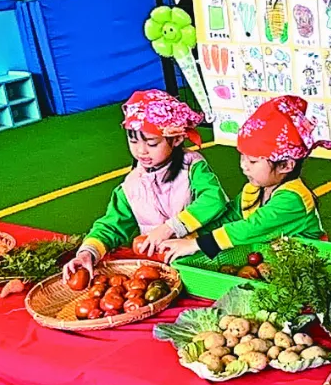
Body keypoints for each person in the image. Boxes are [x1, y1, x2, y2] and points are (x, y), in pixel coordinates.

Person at [62, 90, 228, 279]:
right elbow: (112, 225)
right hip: (163, 270)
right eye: (133, 141)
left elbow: (214, 199)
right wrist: (88, 251)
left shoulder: (192, 167)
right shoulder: (131, 186)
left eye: (152, 143)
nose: (141, 151)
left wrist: (171, 227)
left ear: (176, 139)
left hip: (207, 260)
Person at [160, 95, 331, 262]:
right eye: (242, 157)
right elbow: (229, 217)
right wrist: (190, 234)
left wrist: (196, 244)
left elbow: (252, 227)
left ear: (286, 165)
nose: (243, 165)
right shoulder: (254, 190)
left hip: (307, 267)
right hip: (274, 264)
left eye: (252, 161)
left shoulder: (293, 198)